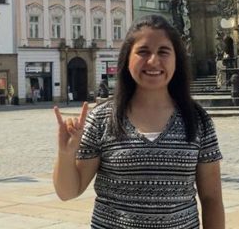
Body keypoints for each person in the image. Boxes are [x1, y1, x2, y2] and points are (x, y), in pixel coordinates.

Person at [52, 15, 225, 228]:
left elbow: (212, 199)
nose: (153, 61)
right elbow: (68, 192)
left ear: (176, 59)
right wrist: (66, 154)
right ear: (127, 58)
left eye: (163, 52)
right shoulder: (102, 118)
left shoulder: (197, 120)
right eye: (143, 52)